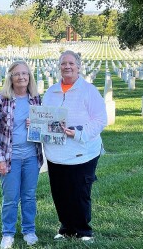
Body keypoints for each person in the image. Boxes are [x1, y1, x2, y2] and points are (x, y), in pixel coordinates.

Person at [42, 50, 107, 243]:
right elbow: (45, 117)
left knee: (79, 192)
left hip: (83, 152)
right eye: (63, 64)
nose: (67, 67)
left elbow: (100, 120)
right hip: (56, 153)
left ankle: (84, 231)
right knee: (60, 192)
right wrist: (34, 124)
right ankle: (66, 229)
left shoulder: (89, 91)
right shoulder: (51, 91)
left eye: (71, 63)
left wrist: (77, 133)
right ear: (59, 67)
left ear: (78, 67)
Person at [0, 60, 43, 249]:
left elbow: (44, 128)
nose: (22, 77)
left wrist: (34, 125)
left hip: (31, 156)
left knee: (29, 196)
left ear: (30, 77)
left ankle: (29, 230)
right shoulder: (1, 99)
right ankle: (8, 233)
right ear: (11, 77)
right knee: (11, 198)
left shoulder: (36, 99)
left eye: (25, 74)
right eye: (18, 74)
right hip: (10, 157)